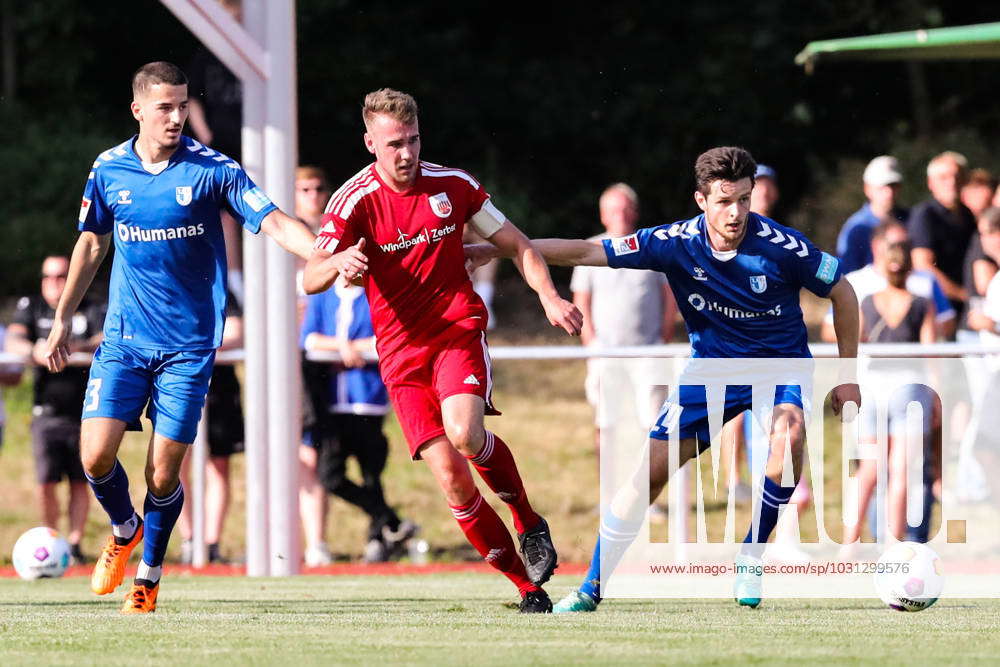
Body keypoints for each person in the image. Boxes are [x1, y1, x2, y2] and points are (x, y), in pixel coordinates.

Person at [468, 146, 861, 612]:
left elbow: (844, 291)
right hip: (710, 371)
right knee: (644, 479)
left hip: (781, 369)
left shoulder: (782, 246)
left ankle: (751, 555)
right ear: (700, 200)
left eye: (743, 199)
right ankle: (592, 587)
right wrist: (496, 247)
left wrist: (848, 375)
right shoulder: (675, 241)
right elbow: (584, 250)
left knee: (790, 433)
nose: (735, 213)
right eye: (722, 200)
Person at [44, 61, 315, 614]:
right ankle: (125, 529)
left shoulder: (213, 169)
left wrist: (327, 255)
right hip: (123, 339)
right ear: (138, 109)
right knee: (94, 457)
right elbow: (92, 245)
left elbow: (276, 222)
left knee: (162, 471)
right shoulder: (108, 169)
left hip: (190, 348)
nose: (176, 116)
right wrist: (62, 319)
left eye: (183, 105)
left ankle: (148, 576)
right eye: (164, 106)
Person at [303, 88, 583, 613]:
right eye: (393, 144)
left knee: (465, 433)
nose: (405, 153)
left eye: (412, 140)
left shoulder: (452, 186)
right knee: (454, 483)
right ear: (370, 144)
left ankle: (526, 518)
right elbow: (311, 274)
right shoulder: (354, 200)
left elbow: (517, 244)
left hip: (455, 331)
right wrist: (338, 264)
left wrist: (549, 297)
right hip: (399, 355)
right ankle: (528, 588)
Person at [301, 279, 418, 562]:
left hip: (368, 401)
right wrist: (342, 347)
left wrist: (352, 348)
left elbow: (389, 337)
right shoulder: (323, 296)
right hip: (331, 404)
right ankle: (391, 520)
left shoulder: (375, 295)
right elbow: (308, 338)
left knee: (371, 475)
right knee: (331, 476)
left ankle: (377, 539)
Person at [6, 256, 104, 564]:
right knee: (46, 482)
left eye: (62, 276)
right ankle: (50, 542)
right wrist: (35, 350)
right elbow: (13, 340)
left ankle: (74, 546)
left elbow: (108, 337)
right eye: (48, 277)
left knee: (80, 481)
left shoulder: (90, 306)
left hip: (86, 410)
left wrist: (76, 347)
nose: (54, 282)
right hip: (46, 412)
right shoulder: (32, 306)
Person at [842, 238, 938, 548]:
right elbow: (930, 355)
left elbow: (854, 343)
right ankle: (892, 548)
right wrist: (936, 395)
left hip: (872, 387)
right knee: (901, 471)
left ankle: (847, 546)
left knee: (868, 468)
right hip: (909, 387)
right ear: (910, 268)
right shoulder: (922, 303)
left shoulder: (867, 301)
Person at [570, 183, 675, 454]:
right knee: (607, 424)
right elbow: (581, 302)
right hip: (605, 353)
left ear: (636, 212)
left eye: (627, 209)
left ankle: (647, 494)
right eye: (614, 210)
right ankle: (610, 494)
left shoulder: (651, 247)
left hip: (648, 353)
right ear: (603, 214)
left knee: (653, 424)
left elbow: (669, 299)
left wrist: (661, 341)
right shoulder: (588, 249)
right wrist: (592, 347)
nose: (621, 214)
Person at [176, 288, 244, 565]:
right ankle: (189, 540)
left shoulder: (222, 288)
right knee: (175, 462)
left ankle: (211, 543)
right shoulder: (173, 283)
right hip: (179, 383)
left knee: (218, 465)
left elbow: (237, 332)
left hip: (220, 389)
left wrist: (196, 345)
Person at [822, 220, 956, 343]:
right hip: (868, 367)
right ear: (875, 245)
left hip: (914, 366)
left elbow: (948, 322)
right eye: (895, 245)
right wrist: (863, 332)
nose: (901, 250)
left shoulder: (926, 280)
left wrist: (918, 326)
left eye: (906, 245)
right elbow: (828, 331)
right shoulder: (853, 282)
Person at [294, 165, 335, 566]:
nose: (312, 194)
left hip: (316, 360)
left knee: (314, 449)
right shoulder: (278, 234)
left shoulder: (335, 235)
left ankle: (315, 541)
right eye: (303, 188)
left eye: (318, 187)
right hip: (280, 361)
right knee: (282, 449)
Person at [908, 151, 976, 319]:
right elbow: (923, 266)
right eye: (943, 177)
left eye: (957, 176)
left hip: (968, 312)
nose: (952, 182)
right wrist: (964, 295)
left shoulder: (968, 215)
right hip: (939, 313)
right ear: (931, 183)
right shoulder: (924, 215)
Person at [836, 156, 908, 274]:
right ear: (867, 188)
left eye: (893, 185)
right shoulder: (855, 228)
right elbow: (848, 275)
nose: (889, 193)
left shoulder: (911, 219)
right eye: (882, 186)